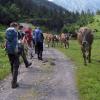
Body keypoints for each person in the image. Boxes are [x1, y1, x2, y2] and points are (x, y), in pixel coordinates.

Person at [5, 22, 19, 89]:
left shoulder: (7, 30)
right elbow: (15, 42)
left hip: (8, 50)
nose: (17, 27)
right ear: (15, 26)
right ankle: (14, 83)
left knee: (12, 64)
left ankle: (13, 79)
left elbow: (6, 40)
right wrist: (16, 49)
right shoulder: (15, 31)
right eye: (17, 26)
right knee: (16, 66)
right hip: (14, 50)